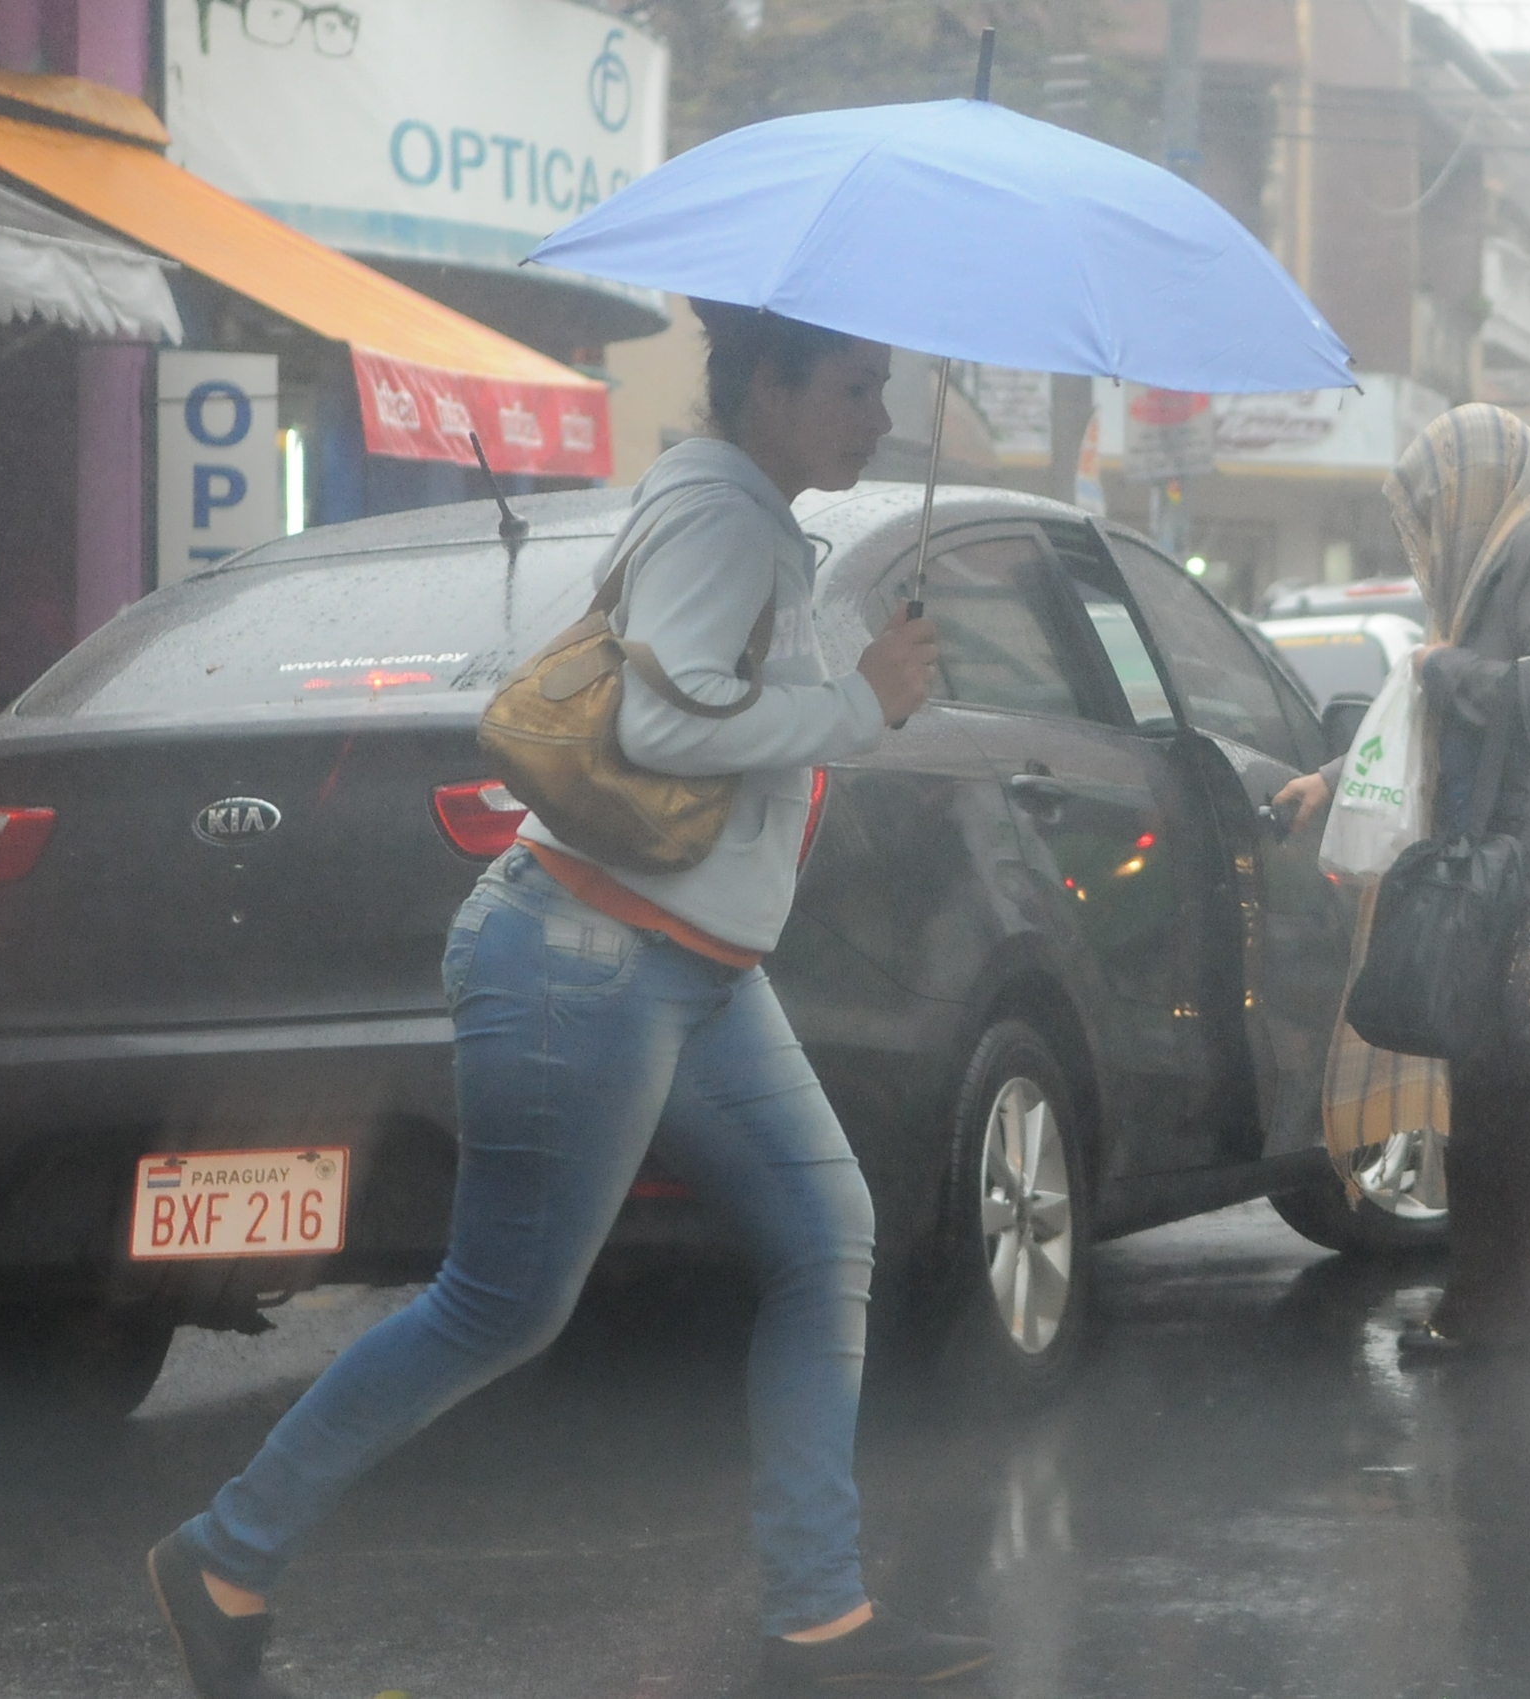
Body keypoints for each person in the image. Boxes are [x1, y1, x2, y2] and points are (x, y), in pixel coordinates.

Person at [147, 304, 992, 1696]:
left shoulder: (745, 509)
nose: (877, 416)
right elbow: (663, 729)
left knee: (825, 1230)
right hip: (588, 957)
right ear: (769, 387)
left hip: (695, 967)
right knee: (502, 1303)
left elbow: (708, 718)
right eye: (853, 386)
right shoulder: (720, 516)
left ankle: (819, 1616)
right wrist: (861, 704)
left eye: (882, 383)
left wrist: (858, 682)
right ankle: (225, 1551)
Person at [1274, 403, 1530, 1352]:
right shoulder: (1492, 569)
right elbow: (1424, 731)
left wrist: (1448, 667)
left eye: (1434, 500)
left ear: (1476, 489)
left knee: (1501, 1072)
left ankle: (1498, 1306)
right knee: (1517, 1070)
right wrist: (1333, 780)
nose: (1427, 523)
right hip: (1524, 848)